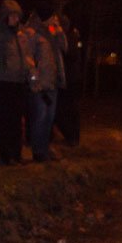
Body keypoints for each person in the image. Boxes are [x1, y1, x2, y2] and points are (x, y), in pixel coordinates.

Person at [0, 0, 28, 165]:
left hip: (18, 82)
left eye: (18, 15)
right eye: (13, 15)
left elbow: (23, 58)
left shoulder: (18, 34)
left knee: (16, 120)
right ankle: (6, 155)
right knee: (5, 121)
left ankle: (16, 153)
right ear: (5, 16)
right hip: (3, 82)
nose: (16, 19)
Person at [25, 4, 66, 162]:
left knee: (49, 118)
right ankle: (38, 151)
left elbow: (64, 47)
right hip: (39, 85)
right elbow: (28, 59)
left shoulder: (51, 33)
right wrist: (34, 80)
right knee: (40, 117)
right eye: (53, 17)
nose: (55, 20)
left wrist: (59, 31)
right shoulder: (32, 33)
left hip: (52, 82)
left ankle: (44, 149)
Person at [53, 14, 83, 147]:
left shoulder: (69, 38)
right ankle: (72, 135)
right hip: (70, 78)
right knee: (69, 109)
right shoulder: (71, 36)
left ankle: (72, 136)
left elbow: (69, 54)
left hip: (69, 79)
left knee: (66, 109)